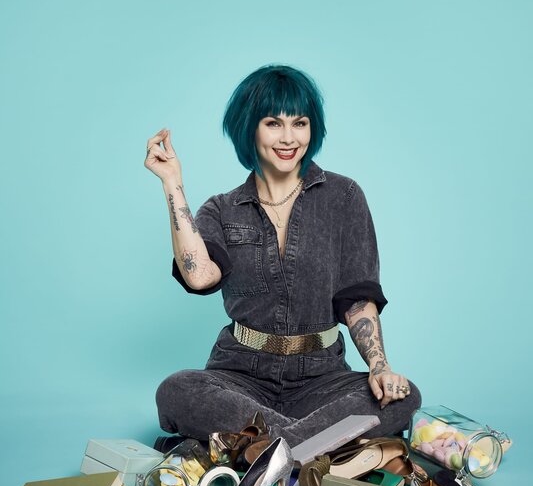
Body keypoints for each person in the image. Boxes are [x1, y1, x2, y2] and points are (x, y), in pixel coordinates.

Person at [146, 64, 421, 447]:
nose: (289, 137)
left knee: (403, 396)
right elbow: (199, 276)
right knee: (176, 390)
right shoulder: (222, 209)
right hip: (240, 375)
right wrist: (172, 183)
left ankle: (257, 445)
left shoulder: (344, 197)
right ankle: (312, 444)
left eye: (300, 123)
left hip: (322, 378)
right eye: (274, 123)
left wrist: (380, 367)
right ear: (250, 128)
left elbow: (357, 300)